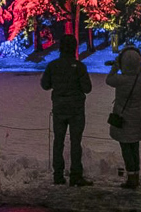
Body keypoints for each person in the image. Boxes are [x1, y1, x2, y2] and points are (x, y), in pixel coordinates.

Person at [40, 34, 93, 187]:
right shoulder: (79, 67)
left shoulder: (53, 66)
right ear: (74, 48)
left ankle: (58, 174)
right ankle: (76, 175)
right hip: (76, 109)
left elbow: (45, 85)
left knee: (58, 141)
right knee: (76, 142)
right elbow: (87, 88)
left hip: (59, 108)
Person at [106, 44, 141, 189]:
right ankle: (135, 175)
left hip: (123, 116)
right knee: (135, 147)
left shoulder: (121, 80)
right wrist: (137, 64)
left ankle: (131, 177)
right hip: (137, 116)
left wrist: (116, 66)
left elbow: (109, 79)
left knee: (125, 148)